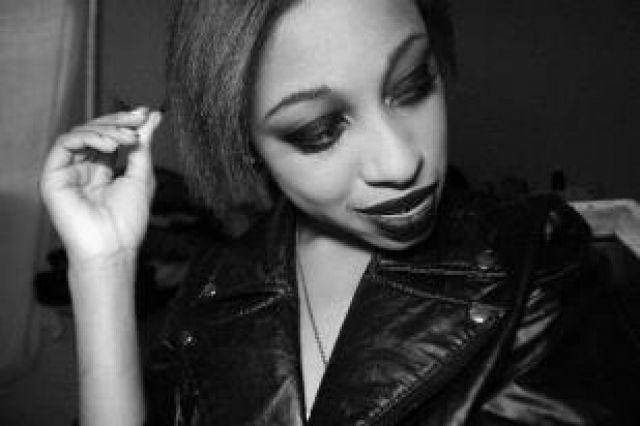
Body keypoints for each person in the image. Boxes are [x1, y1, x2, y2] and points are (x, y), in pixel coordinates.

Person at [40, 0, 639, 425]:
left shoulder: (535, 255)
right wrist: (102, 270)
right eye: (319, 130)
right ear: (247, 142)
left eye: (413, 85)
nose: (401, 161)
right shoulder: (213, 289)